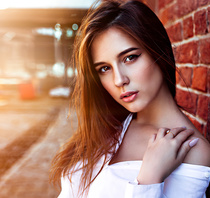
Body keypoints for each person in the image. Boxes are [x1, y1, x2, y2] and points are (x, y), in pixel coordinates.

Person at [49, 0, 210, 197]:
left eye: (130, 57)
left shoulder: (192, 151)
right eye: (104, 68)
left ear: (158, 51)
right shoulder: (107, 126)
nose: (119, 80)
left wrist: (149, 180)